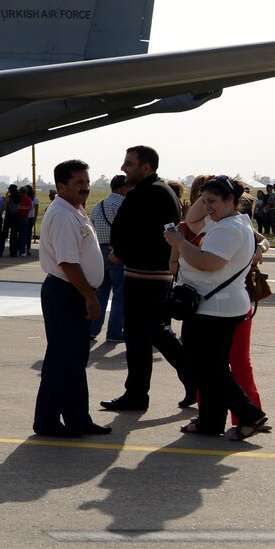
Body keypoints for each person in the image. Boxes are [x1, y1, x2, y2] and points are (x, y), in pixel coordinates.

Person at [165, 178, 269, 440]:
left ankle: (249, 415)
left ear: (232, 201)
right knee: (211, 366)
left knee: (208, 367)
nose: (206, 206)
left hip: (215, 309)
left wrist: (179, 243)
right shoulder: (229, 221)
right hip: (217, 306)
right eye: (204, 199)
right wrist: (212, 189)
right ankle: (210, 420)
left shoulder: (228, 229)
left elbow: (206, 262)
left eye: (213, 200)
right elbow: (193, 218)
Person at [102, 145, 194, 413]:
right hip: (154, 275)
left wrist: (119, 253)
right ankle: (192, 381)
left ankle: (137, 394)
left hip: (144, 277)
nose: (123, 168)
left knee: (140, 337)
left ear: (145, 167)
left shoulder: (147, 193)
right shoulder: (159, 190)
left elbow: (129, 233)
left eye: (128, 164)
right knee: (157, 333)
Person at [33, 160, 111, 438]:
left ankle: (79, 418)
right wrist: (90, 297)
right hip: (67, 292)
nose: (86, 188)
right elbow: (68, 262)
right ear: (61, 186)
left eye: (87, 182)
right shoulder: (64, 215)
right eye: (79, 183)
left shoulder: (74, 210)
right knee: (62, 360)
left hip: (73, 291)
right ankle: (47, 421)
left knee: (76, 360)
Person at [88, 175, 127, 342]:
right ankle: (114, 331)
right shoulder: (124, 205)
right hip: (116, 251)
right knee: (120, 293)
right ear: (124, 188)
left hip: (99, 250)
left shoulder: (98, 205)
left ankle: (93, 329)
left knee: (101, 291)